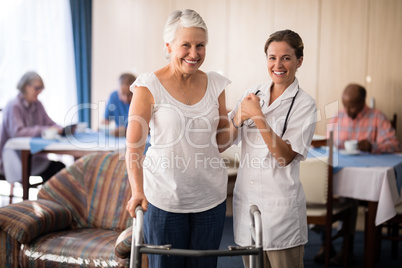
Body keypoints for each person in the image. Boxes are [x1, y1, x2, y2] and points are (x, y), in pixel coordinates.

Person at [125, 9, 230, 268]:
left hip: (211, 199)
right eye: (186, 45)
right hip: (164, 200)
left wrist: (240, 119)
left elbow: (222, 142)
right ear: (169, 45)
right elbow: (134, 146)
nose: (194, 54)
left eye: (200, 45)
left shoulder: (216, 84)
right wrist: (137, 190)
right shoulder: (148, 86)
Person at [217, 29, 317, 268]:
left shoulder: (305, 104)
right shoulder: (253, 94)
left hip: (281, 211)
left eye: (286, 57)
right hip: (248, 205)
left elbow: (283, 157)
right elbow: (221, 143)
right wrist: (239, 117)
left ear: (299, 61)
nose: (278, 64)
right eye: (272, 57)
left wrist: (258, 117)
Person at [314, 83, 401, 265]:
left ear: (362, 102)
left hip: (364, 179)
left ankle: (347, 247)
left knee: (349, 199)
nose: (347, 110)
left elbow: (394, 145)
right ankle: (327, 242)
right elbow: (327, 146)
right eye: (345, 105)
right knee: (313, 192)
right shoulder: (338, 116)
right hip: (336, 174)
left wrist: (373, 146)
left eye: (352, 105)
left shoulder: (377, 117)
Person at [0, 71, 65, 183]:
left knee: (61, 170)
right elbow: (17, 132)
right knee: (56, 171)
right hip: (15, 159)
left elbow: (50, 123)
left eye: (41, 89)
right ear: (26, 86)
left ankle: (50, 197)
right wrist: (44, 130)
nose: (39, 92)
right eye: (37, 88)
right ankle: (47, 197)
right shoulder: (13, 105)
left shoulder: (38, 105)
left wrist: (60, 128)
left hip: (35, 157)